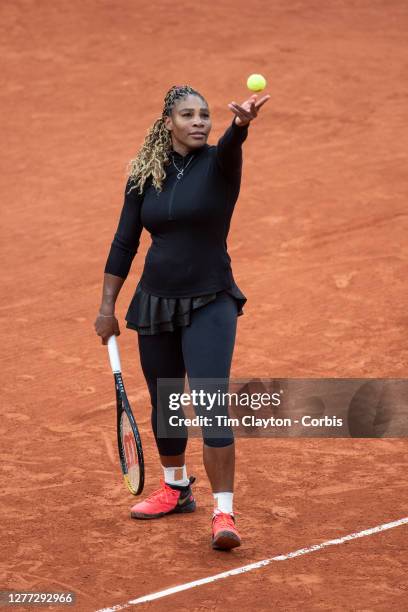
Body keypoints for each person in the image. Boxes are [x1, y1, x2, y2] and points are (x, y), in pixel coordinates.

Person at [94, 84, 270, 550]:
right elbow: (124, 241)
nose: (199, 122)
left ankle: (224, 513)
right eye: (188, 115)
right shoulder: (144, 174)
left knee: (211, 404)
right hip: (155, 301)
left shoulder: (219, 164)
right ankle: (175, 488)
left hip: (211, 298)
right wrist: (106, 308)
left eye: (205, 115)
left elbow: (232, 143)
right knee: (165, 400)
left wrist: (241, 124)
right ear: (168, 122)